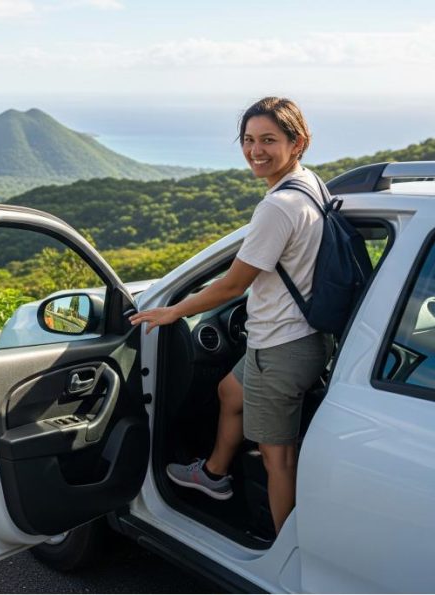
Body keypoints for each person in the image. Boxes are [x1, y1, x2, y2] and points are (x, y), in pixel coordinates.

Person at [128, 97, 333, 536]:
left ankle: (288, 557)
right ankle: (215, 474)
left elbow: (231, 285)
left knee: (278, 459)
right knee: (228, 391)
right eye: (248, 140)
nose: (255, 151)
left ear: (298, 142)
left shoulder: (277, 207)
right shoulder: (309, 185)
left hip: (280, 347)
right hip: (304, 336)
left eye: (268, 140)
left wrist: (173, 310)